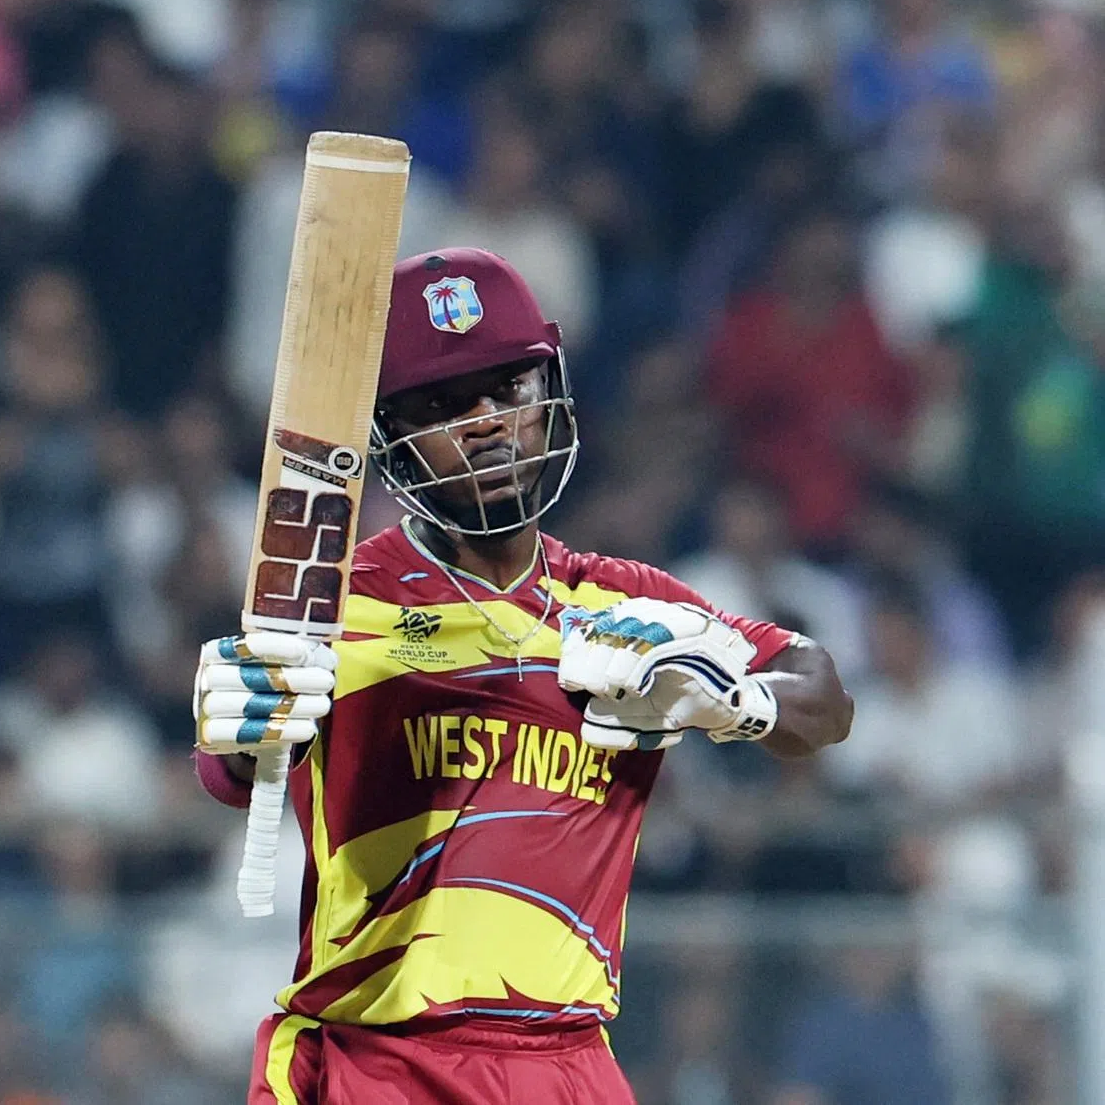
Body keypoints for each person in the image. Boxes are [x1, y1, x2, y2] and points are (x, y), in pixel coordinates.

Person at [192, 247, 854, 1104]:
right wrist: (244, 732)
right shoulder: (336, 603)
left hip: (569, 1064)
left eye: (510, 389)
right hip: (379, 1062)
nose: (486, 423)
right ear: (391, 434)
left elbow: (826, 694)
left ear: (551, 395)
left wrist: (738, 702)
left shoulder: (627, 603)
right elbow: (236, 766)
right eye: (444, 404)